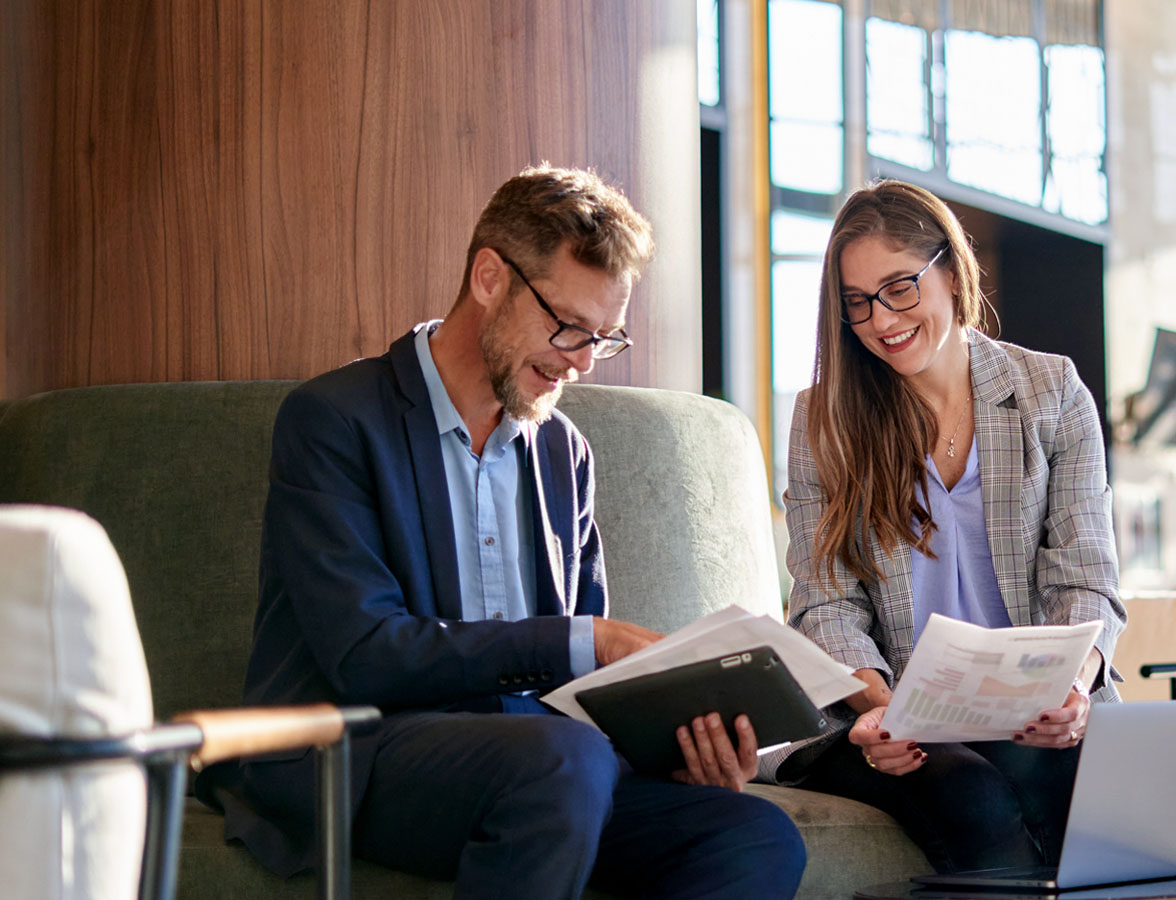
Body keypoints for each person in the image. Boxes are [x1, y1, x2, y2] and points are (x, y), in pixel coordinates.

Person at [199, 165, 806, 900]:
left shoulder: (563, 451)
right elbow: (365, 654)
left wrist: (669, 744)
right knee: (562, 762)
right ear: (490, 278)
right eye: (568, 326)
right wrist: (587, 638)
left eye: (602, 338)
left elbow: (584, 695)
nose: (581, 361)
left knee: (752, 834)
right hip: (365, 751)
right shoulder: (334, 421)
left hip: (550, 766)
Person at [761, 180, 1125, 874]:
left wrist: (1072, 688)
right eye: (858, 302)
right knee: (971, 798)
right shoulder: (824, 421)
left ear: (951, 273)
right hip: (884, 711)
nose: (881, 320)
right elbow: (826, 602)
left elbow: (1087, 580)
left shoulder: (1051, 393)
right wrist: (884, 707)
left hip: (1027, 708)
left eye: (900, 288)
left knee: (1074, 788)